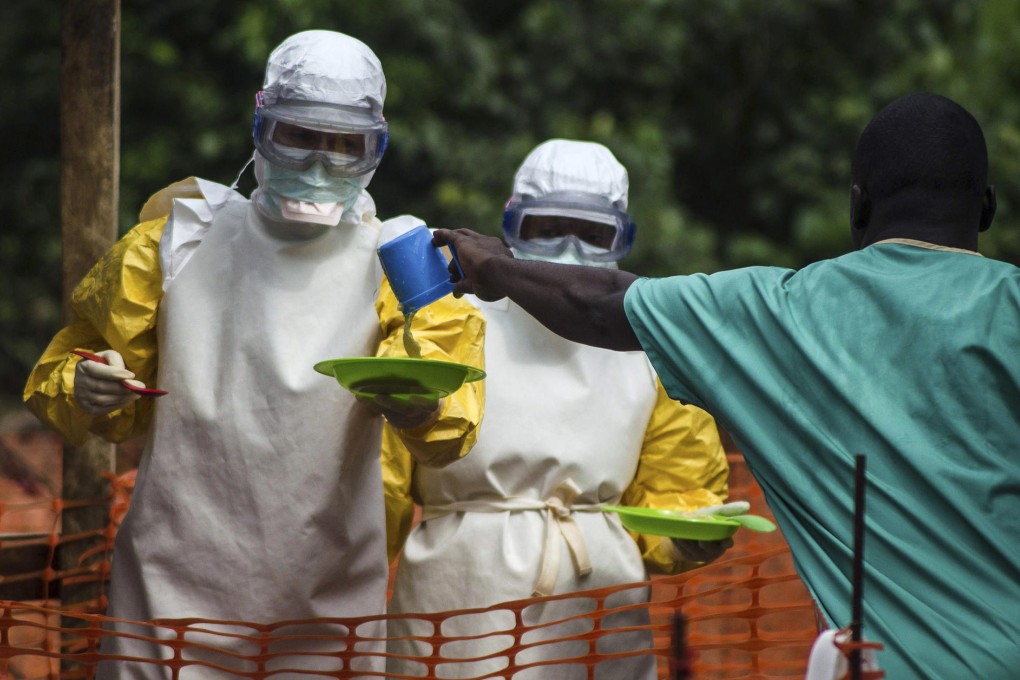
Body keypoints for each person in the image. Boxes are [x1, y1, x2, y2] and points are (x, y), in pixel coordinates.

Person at [431, 93, 1020, 679]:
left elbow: (603, 306)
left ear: (857, 207)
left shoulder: (779, 313)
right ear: (988, 206)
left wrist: (494, 266)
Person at [23, 30, 484, 678]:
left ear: (375, 147)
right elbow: (65, 373)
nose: (322, 162)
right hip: (167, 601)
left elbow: (453, 428)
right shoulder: (177, 241)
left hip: (326, 608)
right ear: (262, 124)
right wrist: (83, 382)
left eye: (344, 144)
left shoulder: (400, 262)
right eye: (301, 135)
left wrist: (419, 407)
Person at [382, 139, 732, 679]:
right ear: (511, 226)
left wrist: (686, 533)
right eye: (547, 229)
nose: (569, 249)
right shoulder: (454, 317)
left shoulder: (648, 348)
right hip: (459, 598)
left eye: (594, 235)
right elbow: (381, 481)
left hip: (598, 611)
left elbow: (676, 487)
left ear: (622, 239)